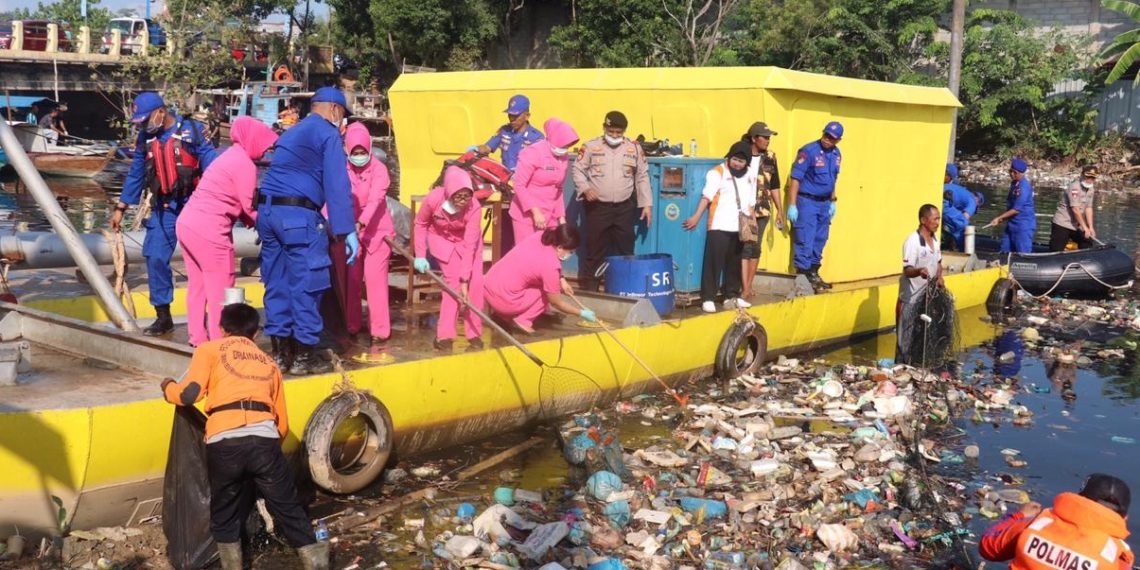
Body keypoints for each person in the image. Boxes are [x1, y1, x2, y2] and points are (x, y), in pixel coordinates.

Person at [160, 303, 328, 570]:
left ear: (222, 328)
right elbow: (281, 425)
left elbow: (188, 395)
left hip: (223, 442)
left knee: (224, 512)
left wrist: (168, 386)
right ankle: (316, 564)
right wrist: (264, 456)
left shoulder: (209, 350)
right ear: (256, 333)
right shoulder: (270, 364)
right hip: (264, 441)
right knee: (289, 509)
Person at [256, 87, 358, 375]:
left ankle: (280, 354)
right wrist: (345, 229)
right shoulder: (327, 134)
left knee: (276, 282)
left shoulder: (291, 132)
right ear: (335, 111)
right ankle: (303, 357)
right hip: (298, 219)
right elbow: (337, 185)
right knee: (307, 284)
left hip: (267, 214)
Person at [111, 92, 218, 336]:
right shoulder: (145, 139)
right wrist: (121, 207)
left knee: (205, 263)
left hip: (195, 206)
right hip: (164, 208)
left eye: (146, 119)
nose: (144, 125)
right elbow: (136, 174)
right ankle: (163, 316)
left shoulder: (193, 130)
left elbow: (213, 166)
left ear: (161, 112)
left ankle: (214, 316)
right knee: (156, 257)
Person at [175, 117, 277, 347]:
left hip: (187, 223)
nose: (266, 149)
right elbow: (249, 207)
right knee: (221, 288)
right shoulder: (245, 165)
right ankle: (221, 341)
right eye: (264, 143)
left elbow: (234, 201)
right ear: (254, 139)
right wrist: (271, 224)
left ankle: (198, 338)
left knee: (198, 286)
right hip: (209, 230)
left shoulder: (228, 157)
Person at [322, 123, 393, 349]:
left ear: (370, 149)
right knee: (351, 280)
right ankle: (351, 325)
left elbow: (375, 200)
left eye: (363, 152)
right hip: (348, 230)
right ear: (347, 150)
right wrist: (328, 223)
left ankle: (379, 330)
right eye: (355, 152)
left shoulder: (380, 170)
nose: (359, 156)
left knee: (375, 281)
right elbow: (333, 198)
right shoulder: (341, 170)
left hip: (376, 232)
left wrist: (361, 222)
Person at [980, 473, 1133, 570]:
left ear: (1077, 498)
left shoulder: (1038, 524)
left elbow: (989, 547)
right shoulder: (1117, 554)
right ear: (1124, 518)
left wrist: (1019, 515)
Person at [571, 110, 652, 292]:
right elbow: (577, 170)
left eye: (618, 132)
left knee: (625, 250)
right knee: (594, 251)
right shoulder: (591, 147)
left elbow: (642, 176)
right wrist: (585, 189)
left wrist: (646, 204)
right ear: (604, 128)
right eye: (611, 131)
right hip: (598, 208)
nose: (614, 135)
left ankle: (626, 289)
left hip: (624, 208)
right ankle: (592, 292)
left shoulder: (634, 148)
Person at [413, 166, 485, 351]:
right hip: (442, 240)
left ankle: (474, 333)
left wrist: (465, 279)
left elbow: (470, 245)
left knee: (475, 285)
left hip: (467, 244)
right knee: (452, 286)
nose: (463, 201)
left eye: (467, 196)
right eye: (458, 196)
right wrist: (420, 255)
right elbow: (420, 224)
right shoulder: (434, 199)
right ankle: (444, 335)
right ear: (449, 193)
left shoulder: (474, 207)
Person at [682, 141, 756, 314]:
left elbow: (751, 201)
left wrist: (751, 225)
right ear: (729, 157)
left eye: (741, 161)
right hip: (719, 225)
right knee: (713, 263)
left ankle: (731, 295)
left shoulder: (750, 174)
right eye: (734, 159)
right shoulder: (717, 173)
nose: (737, 163)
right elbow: (706, 197)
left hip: (739, 227)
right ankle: (708, 297)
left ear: (747, 163)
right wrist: (696, 217)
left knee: (735, 262)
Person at [484, 224, 596, 334]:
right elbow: (556, 303)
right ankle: (524, 321)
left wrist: (562, 279)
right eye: (570, 252)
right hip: (504, 300)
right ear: (560, 247)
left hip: (489, 285)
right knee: (548, 290)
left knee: (531, 279)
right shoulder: (551, 267)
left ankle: (501, 316)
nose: (571, 254)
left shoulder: (540, 236)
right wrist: (581, 313)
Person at [787, 121, 843, 292]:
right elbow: (795, 178)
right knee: (805, 236)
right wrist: (792, 204)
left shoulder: (836, 154)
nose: (827, 140)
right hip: (807, 201)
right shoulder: (808, 151)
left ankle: (813, 272)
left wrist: (833, 201)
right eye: (826, 135)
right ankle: (803, 274)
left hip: (824, 202)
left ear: (838, 140)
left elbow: (832, 179)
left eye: (832, 138)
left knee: (821, 237)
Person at [508, 118, 580, 246]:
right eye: (564, 145)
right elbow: (519, 185)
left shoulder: (563, 157)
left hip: (550, 213)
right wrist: (535, 211)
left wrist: (561, 218)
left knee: (548, 252)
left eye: (568, 146)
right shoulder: (533, 153)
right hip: (527, 215)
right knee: (528, 253)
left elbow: (558, 189)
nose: (565, 149)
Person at [740, 121, 784, 298]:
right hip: (743, 209)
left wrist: (780, 209)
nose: (768, 141)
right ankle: (741, 286)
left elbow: (775, 185)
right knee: (744, 248)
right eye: (765, 137)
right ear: (754, 138)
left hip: (762, 210)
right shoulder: (741, 153)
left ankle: (748, 287)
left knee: (755, 248)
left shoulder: (771, 157)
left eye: (769, 138)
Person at [896, 204, 944, 362]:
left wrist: (940, 276)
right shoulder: (913, 241)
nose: (938, 222)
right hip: (910, 298)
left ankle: (915, 366)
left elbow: (938, 262)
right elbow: (907, 270)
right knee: (905, 340)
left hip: (926, 298)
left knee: (921, 336)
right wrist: (919, 271)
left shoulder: (935, 239)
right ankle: (900, 368)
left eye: (939, 218)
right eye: (935, 218)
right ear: (924, 220)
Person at [476, 94, 544, 172]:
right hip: (504, 179)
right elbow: (487, 147)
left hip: (525, 181)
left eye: (516, 116)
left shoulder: (537, 138)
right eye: (510, 115)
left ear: (527, 116)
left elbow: (542, 167)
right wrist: (476, 149)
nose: (512, 119)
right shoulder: (504, 131)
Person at [985, 158, 1036, 254]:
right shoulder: (1014, 184)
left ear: (1021, 173)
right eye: (1010, 171)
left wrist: (999, 218)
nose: (1012, 174)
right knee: (1005, 249)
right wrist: (1002, 219)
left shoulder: (1023, 187)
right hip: (1011, 223)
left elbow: (1016, 209)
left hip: (1023, 225)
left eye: (1015, 173)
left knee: (1022, 252)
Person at [1049, 165, 1099, 252]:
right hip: (1062, 224)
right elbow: (1075, 209)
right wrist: (1084, 227)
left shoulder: (1091, 189)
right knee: (1056, 250)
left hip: (1075, 225)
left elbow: (1088, 208)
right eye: (1088, 176)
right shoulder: (1075, 188)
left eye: (1093, 178)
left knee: (1087, 241)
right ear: (1082, 175)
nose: (1090, 179)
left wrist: (1090, 227)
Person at [941, 163, 978, 251]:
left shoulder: (961, 191)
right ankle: (962, 251)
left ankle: (949, 243)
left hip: (944, 199)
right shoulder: (973, 201)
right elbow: (965, 217)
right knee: (964, 225)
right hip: (944, 201)